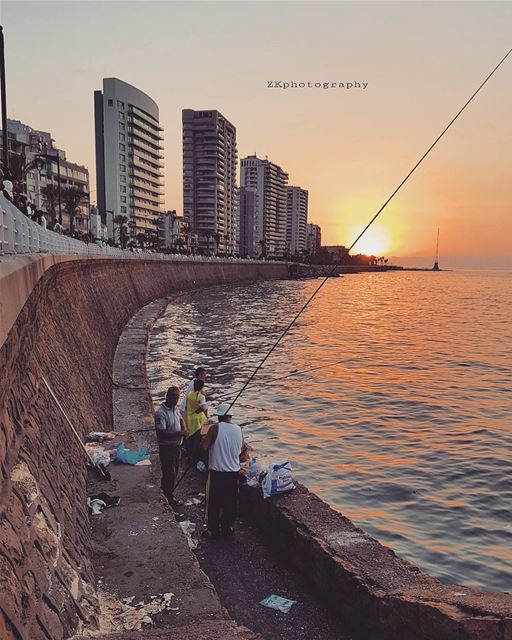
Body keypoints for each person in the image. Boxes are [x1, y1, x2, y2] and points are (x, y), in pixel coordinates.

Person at [200, 402, 244, 539]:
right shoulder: (238, 430)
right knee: (230, 503)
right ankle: (227, 527)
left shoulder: (214, 428)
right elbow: (241, 451)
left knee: (214, 503)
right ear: (230, 416)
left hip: (217, 474)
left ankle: (213, 530)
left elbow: (203, 448)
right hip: (233, 473)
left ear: (219, 416)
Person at [155, 386, 188, 509]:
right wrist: (179, 433)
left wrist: (184, 428)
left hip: (177, 446)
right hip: (167, 447)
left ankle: (167, 493)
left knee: (175, 472)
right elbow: (161, 432)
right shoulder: (160, 413)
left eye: (178, 398)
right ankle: (167, 496)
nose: (176, 400)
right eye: (174, 398)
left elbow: (180, 419)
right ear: (167, 397)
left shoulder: (176, 409)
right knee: (169, 473)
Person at [184, 379, 209, 463]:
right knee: (196, 438)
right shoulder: (201, 397)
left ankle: (188, 455)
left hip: (189, 418)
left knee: (189, 436)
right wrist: (204, 413)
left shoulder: (190, 395)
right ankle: (194, 457)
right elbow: (204, 408)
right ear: (201, 387)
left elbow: (188, 406)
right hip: (197, 420)